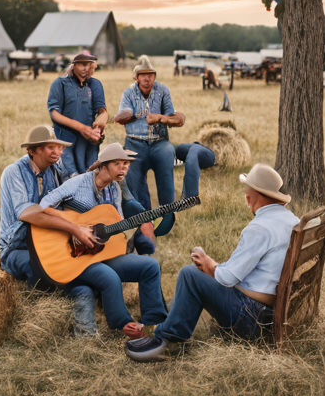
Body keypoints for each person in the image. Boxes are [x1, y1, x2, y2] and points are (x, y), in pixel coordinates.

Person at [125, 163, 299, 361]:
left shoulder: (259, 228)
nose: (246, 193)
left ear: (255, 195)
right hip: (275, 311)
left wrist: (209, 265)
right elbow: (254, 271)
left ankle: (167, 341)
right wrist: (213, 266)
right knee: (199, 276)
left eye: (247, 188)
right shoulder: (292, 220)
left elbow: (228, 278)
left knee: (190, 274)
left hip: (253, 319)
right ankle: (163, 325)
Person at [39, 142, 168, 338]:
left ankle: (154, 324)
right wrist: (74, 226)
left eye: (126, 164)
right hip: (74, 255)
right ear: (104, 166)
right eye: (118, 164)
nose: (123, 168)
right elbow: (44, 205)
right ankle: (123, 325)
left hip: (100, 252)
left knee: (150, 266)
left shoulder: (115, 189)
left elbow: (115, 223)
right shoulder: (78, 183)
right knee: (110, 277)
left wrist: (138, 226)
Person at [0, 125, 101, 336]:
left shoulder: (55, 170)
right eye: (50, 147)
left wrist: (94, 174)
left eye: (60, 148)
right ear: (33, 150)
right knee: (59, 275)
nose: (57, 152)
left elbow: (73, 191)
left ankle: (86, 332)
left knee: (80, 271)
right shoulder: (13, 172)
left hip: (49, 242)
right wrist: (73, 227)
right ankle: (83, 324)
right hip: (17, 247)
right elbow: (27, 213)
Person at [115, 55, 185, 228]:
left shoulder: (162, 91)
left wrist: (159, 118)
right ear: (136, 77)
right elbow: (121, 114)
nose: (147, 78)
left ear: (154, 76)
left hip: (159, 142)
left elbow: (173, 116)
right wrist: (128, 115)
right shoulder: (129, 92)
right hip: (135, 141)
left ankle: (167, 217)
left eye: (150, 74)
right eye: (143, 75)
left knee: (166, 162)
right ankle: (144, 219)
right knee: (134, 177)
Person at [47, 51, 108, 178]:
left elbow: (102, 111)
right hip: (65, 139)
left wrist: (98, 127)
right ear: (74, 65)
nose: (86, 68)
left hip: (88, 142)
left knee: (90, 176)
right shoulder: (60, 84)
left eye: (88, 65)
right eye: (82, 65)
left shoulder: (94, 84)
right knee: (70, 177)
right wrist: (82, 128)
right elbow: (54, 114)